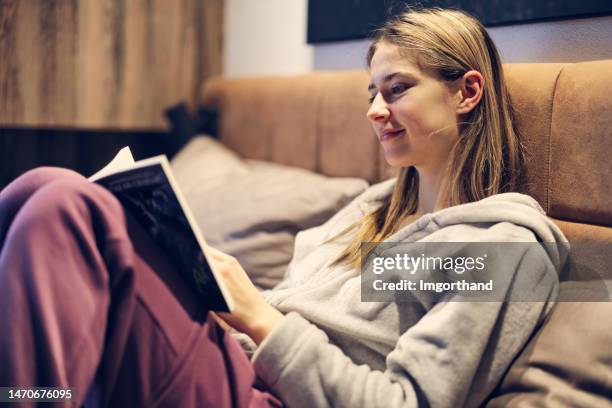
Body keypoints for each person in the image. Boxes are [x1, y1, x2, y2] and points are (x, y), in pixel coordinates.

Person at [0, 7, 567, 408]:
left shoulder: (499, 249)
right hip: (232, 359)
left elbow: (404, 401)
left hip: (272, 394)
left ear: (467, 92)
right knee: (41, 185)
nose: (374, 110)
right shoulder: (368, 211)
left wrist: (258, 316)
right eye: (371, 93)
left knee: (69, 206)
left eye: (396, 89)